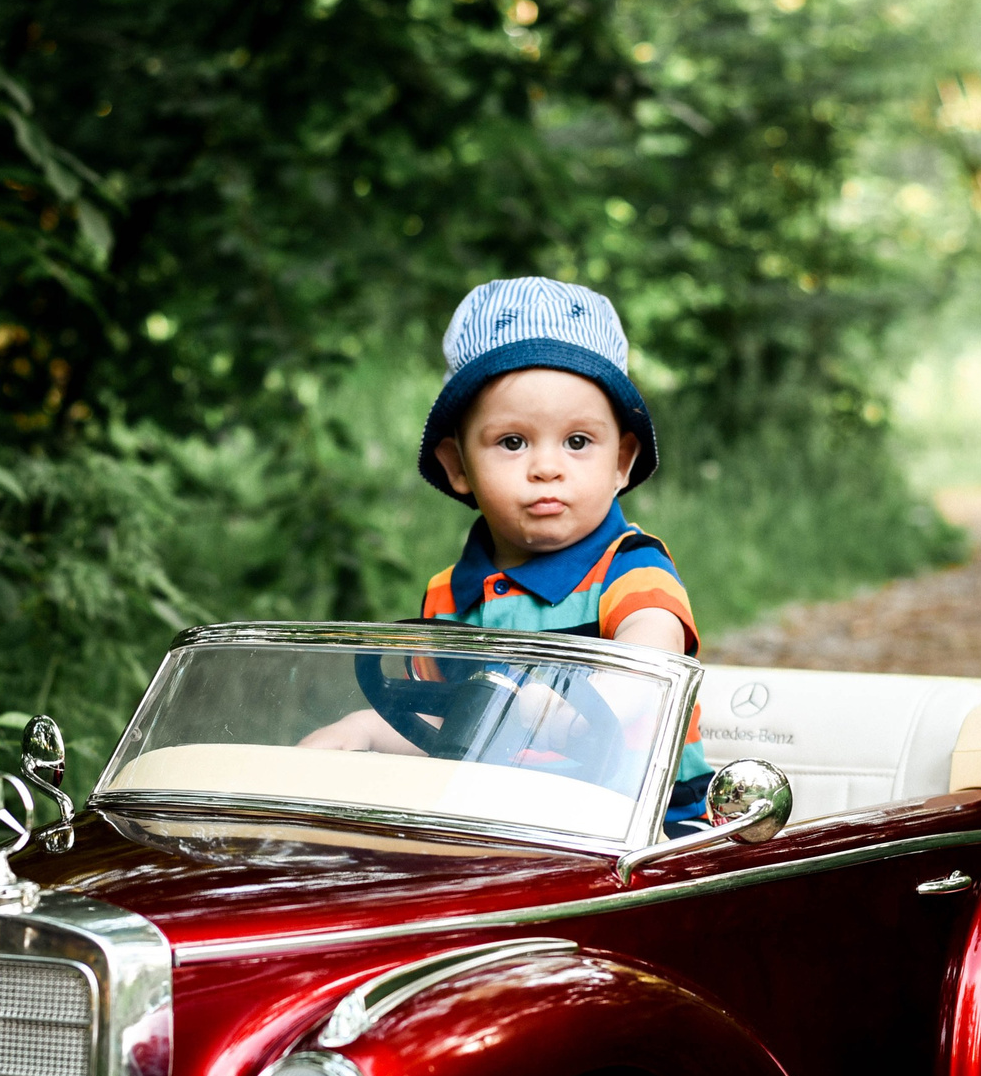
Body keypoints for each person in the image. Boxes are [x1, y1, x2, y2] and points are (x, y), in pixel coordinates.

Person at [302, 277, 714, 830]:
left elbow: (651, 653)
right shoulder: (451, 596)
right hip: (508, 824)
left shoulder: (630, 569)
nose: (546, 468)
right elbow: (445, 727)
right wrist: (367, 729)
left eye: (577, 442)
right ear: (458, 466)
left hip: (646, 824)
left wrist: (580, 709)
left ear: (621, 461)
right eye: (513, 442)